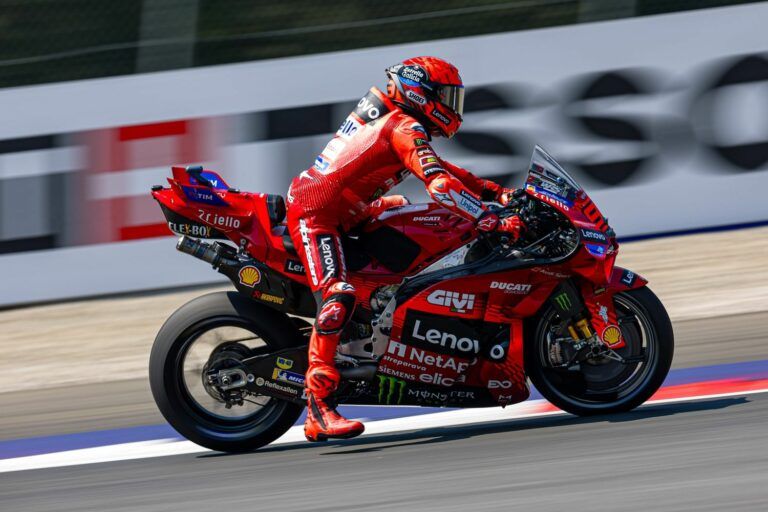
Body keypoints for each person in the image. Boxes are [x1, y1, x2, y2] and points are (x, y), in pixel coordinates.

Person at [286, 56, 525, 442]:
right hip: (316, 217)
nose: (452, 107)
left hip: (354, 212)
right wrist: (490, 219)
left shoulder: (401, 124)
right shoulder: (402, 125)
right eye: (446, 97)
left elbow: (445, 170)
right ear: (421, 93)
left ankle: (381, 327)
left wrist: (499, 193)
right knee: (337, 295)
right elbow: (441, 186)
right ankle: (318, 406)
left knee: (418, 238)